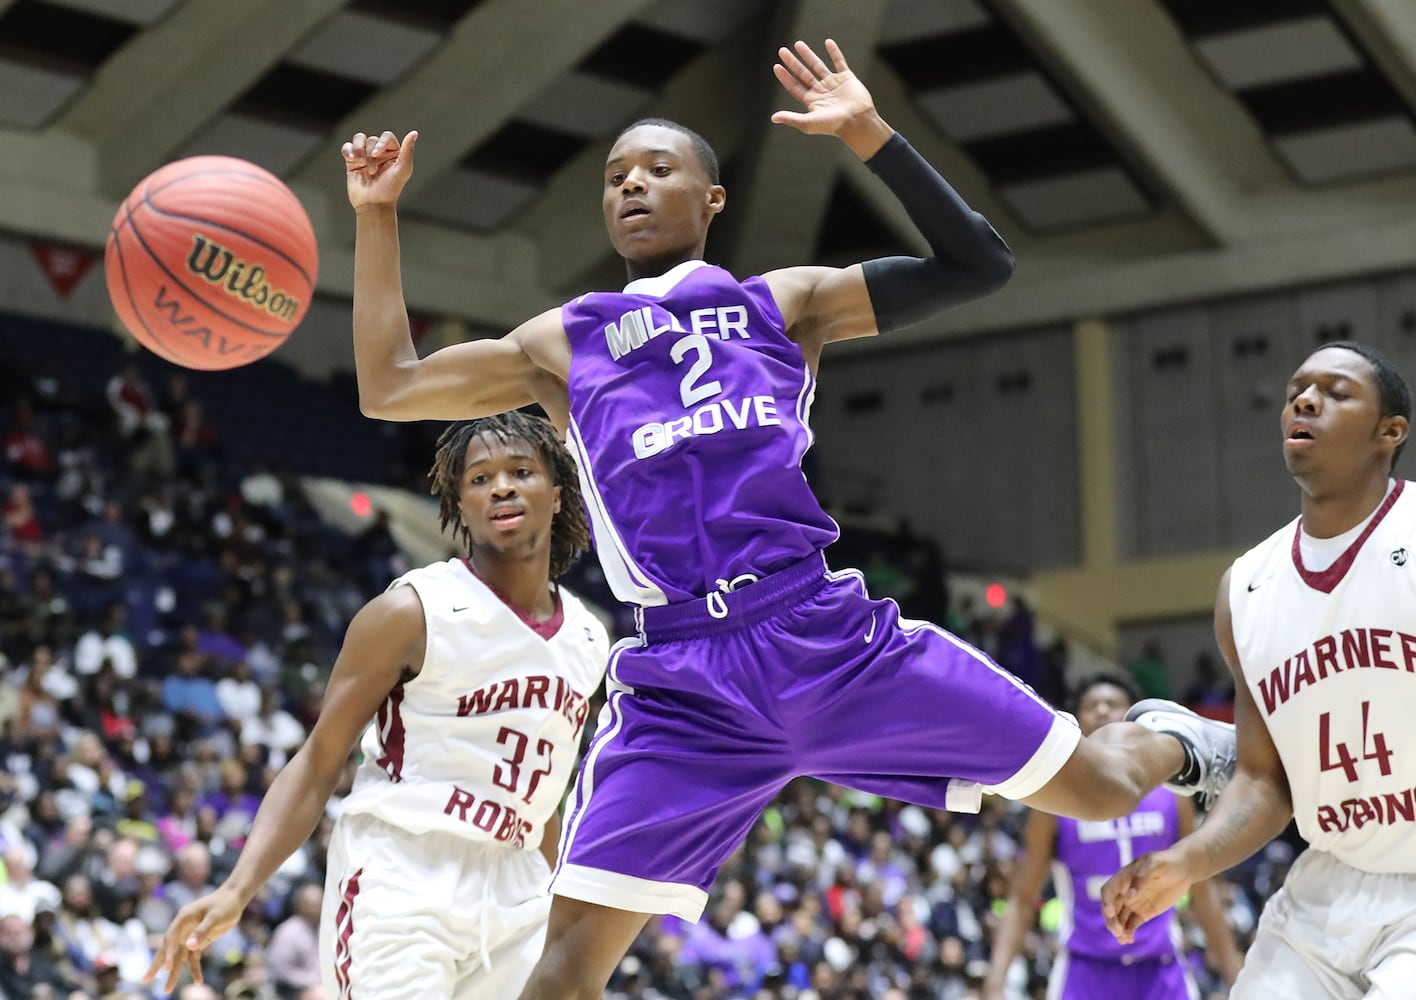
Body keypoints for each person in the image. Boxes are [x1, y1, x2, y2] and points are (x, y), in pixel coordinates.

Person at [341, 38, 1235, 998]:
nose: (630, 186)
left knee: (1100, 790)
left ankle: (1175, 738)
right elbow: (389, 385)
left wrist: (868, 133)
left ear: (712, 199)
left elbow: (977, 263)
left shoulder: (787, 302)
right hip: (686, 684)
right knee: (562, 975)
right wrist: (379, 217)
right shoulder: (564, 340)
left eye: (657, 168)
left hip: (824, 636)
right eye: (613, 177)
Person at [145, 412, 611, 998]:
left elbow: (546, 800)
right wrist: (239, 887)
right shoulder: (413, 612)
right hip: (403, 874)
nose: (501, 487)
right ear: (460, 505)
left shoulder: (589, 639)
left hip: (519, 888)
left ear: (558, 493)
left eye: (521, 471)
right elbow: (319, 761)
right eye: (479, 478)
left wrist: (558, 904)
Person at [1102, 342, 1416, 998]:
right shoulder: (1245, 589)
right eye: (1298, 390)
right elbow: (1264, 780)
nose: (1304, 401)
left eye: (1336, 391)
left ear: (1391, 433)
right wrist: (1187, 860)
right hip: (1327, 885)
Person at [984, 674, 1243, 1000]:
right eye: (1091, 706)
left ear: (1134, 720)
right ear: (1077, 723)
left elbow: (1203, 892)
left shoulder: (1172, 793)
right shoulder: (1053, 801)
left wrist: (1236, 975)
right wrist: (995, 982)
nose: (1102, 710)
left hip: (1160, 971)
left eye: (1113, 704)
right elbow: (1023, 898)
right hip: (1085, 972)